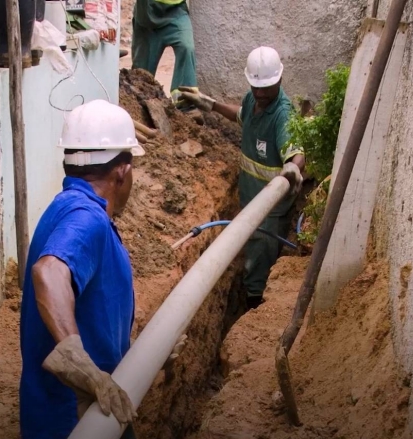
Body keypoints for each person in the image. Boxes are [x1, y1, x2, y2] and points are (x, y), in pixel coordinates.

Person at [19, 99, 161, 439]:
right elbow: (49, 271)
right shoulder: (87, 219)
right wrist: (76, 360)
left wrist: (149, 355)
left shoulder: (65, 207)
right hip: (78, 418)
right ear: (122, 171)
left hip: (81, 407)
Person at [178, 46, 305, 309]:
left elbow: (295, 151)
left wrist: (294, 167)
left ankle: (254, 307)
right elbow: (241, 115)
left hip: (269, 212)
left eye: (265, 88)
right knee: (251, 253)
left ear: (280, 79)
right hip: (249, 199)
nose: (259, 93)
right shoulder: (254, 100)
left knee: (259, 262)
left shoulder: (282, 115)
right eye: (254, 86)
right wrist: (210, 104)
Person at [132, 0, 197, 106]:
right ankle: (139, 107)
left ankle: (186, 104)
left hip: (176, 11)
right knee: (141, 73)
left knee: (186, 46)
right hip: (147, 15)